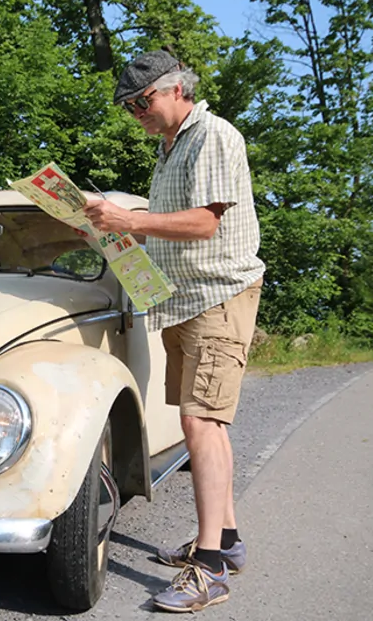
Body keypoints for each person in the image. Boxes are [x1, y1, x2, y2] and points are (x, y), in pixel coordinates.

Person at [83, 50, 265, 613]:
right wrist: (107, 233)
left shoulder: (212, 135)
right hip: (183, 299)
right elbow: (170, 232)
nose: (136, 111)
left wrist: (128, 220)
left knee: (200, 420)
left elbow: (207, 222)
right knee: (201, 424)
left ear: (178, 89)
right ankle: (226, 541)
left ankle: (209, 569)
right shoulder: (171, 148)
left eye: (143, 100)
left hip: (218, 294)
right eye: (129, 105)